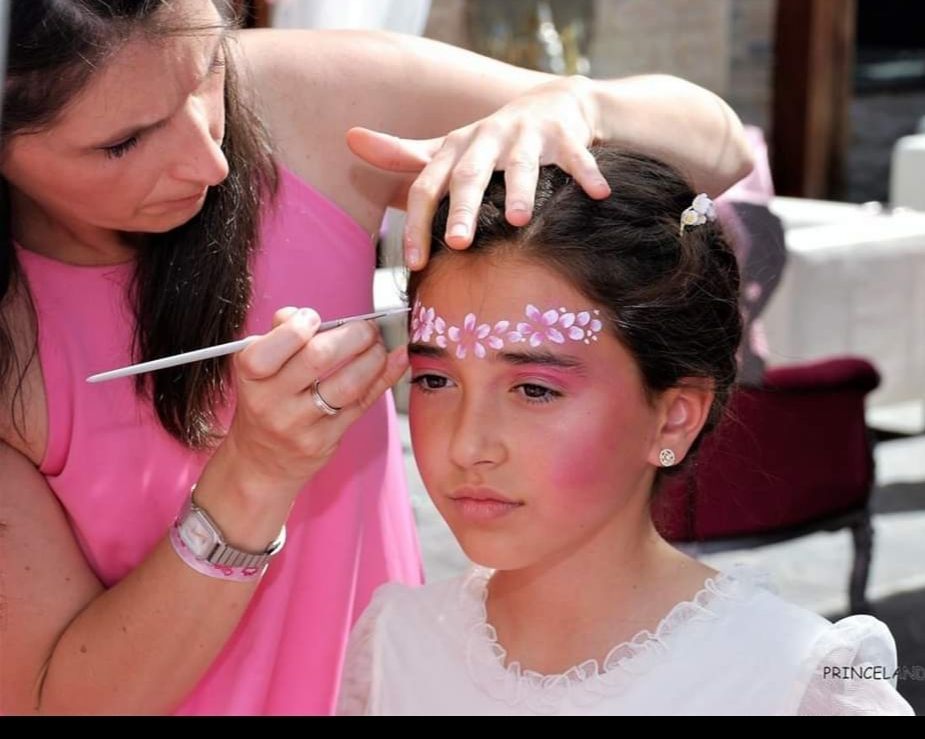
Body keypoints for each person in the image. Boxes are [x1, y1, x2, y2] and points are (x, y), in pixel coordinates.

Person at [0, 0, 752, 715]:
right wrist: (253, 477)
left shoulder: (308, 104)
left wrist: (576, 108)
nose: (209, 161)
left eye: (206, 75)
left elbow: (717, 149)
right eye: (123, 143)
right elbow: (48, 697)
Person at [337, 148, 915, 716]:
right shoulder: (395, 642)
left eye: (534, 390)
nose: (467, 446)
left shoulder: (793, 682)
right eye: (435, 380)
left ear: (673, 417)